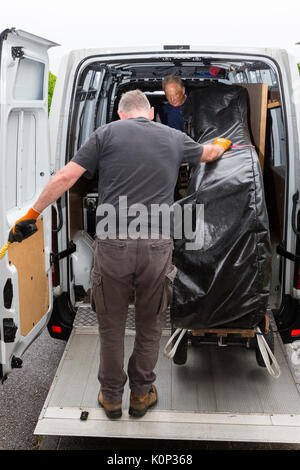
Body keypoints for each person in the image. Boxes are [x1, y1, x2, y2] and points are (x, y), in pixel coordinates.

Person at [8, 90, 231, 420]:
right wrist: (222, 145)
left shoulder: (105, 133)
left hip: (113, 243)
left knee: (111, 327)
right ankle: (141, 395)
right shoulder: (174, 137)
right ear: (151, 112)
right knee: (150, 324)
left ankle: (111, 397)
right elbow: (210, 154)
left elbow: (67, 177)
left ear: (119, 112)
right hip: (157, 245)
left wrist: (31, 214)